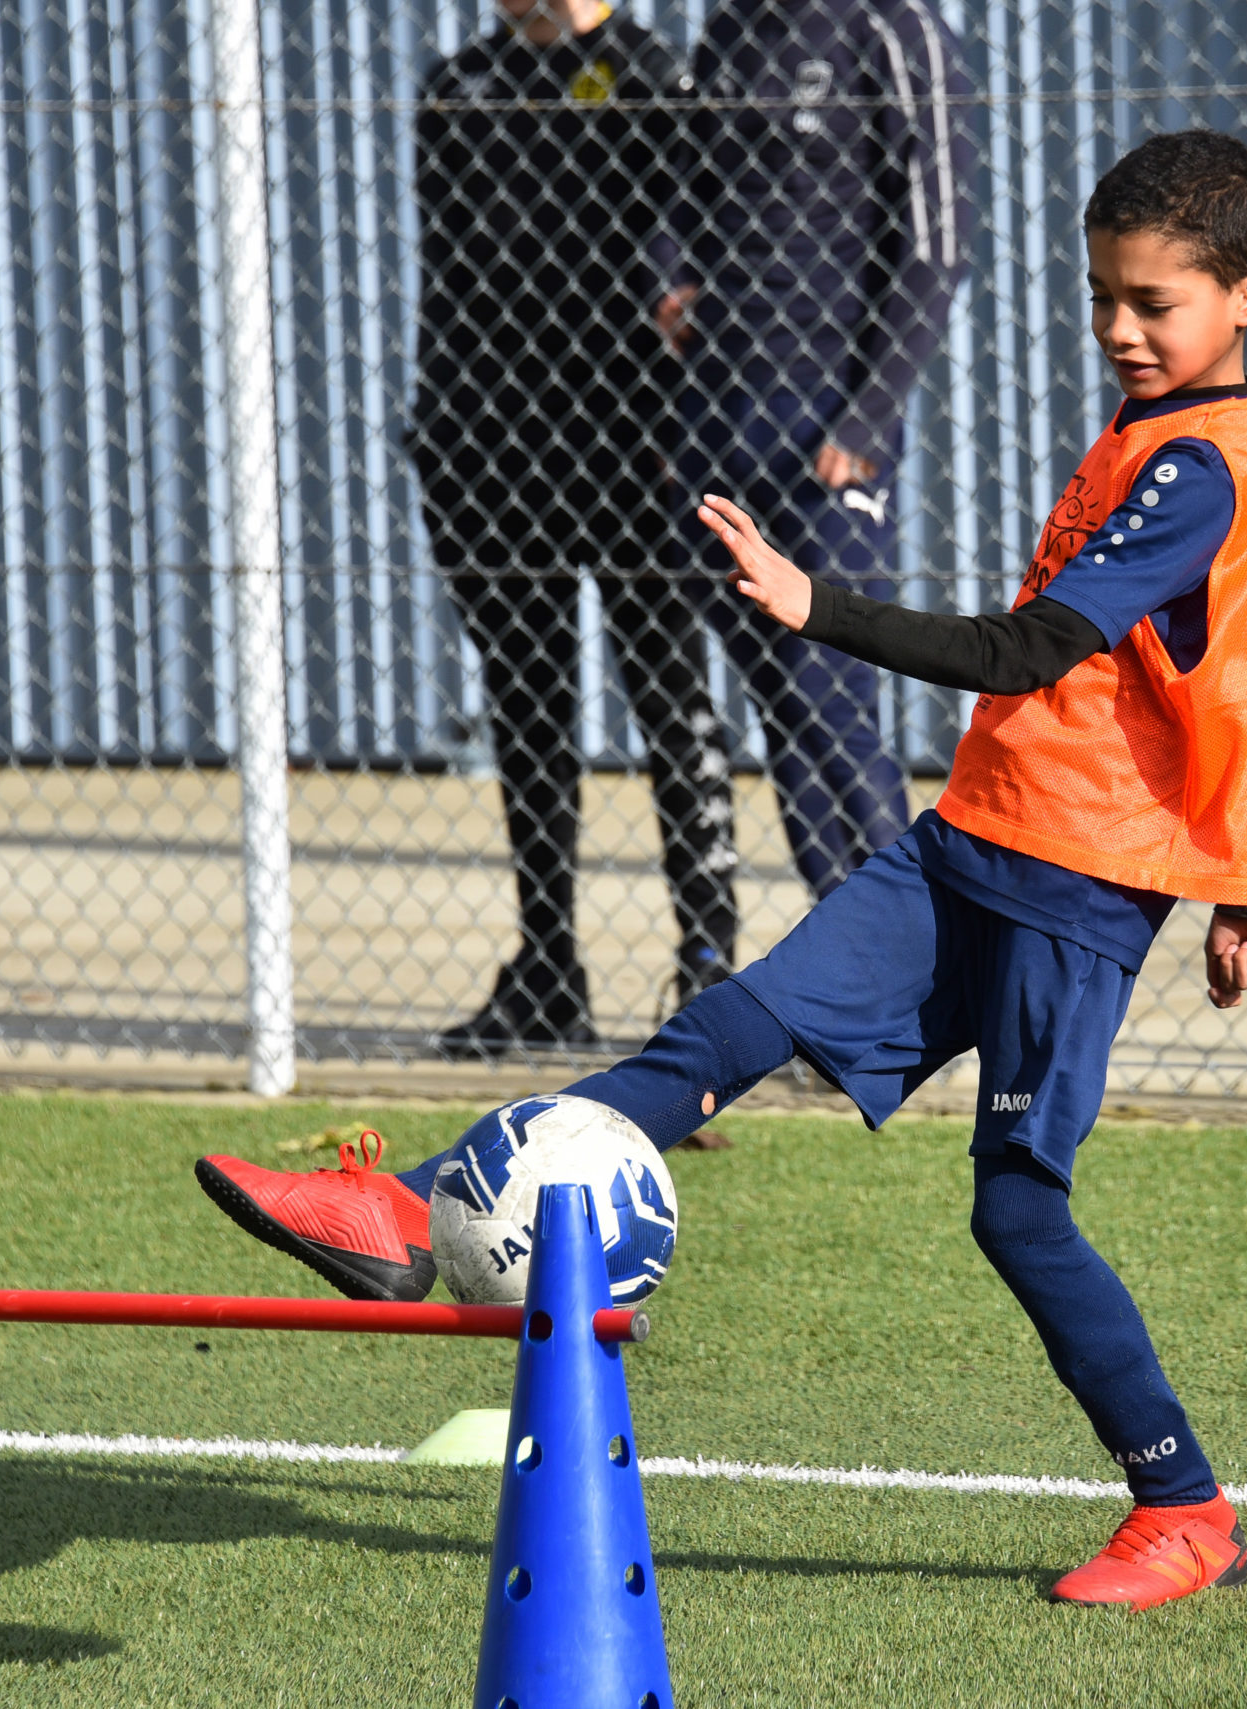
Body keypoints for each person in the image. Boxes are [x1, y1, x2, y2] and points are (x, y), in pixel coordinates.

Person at [198, 130, 1247, 1610]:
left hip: (1081, 884)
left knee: (1018, 1211)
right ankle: (404, 1208)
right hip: (980, 833)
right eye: (1103, 294)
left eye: (1152, 303)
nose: (1118, 326)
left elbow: (1033, 652)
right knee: (739, 1019)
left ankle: (1185, 1509)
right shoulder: (1149, 428)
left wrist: (811, 604)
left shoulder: (1208, 466)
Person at [412, 0, 739, 1053]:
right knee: (527, 708)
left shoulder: (653, 78)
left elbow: (694, 258)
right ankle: (548, 969)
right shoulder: (460, 87)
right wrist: (439, 432)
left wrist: (688, 430)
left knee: (669, 696)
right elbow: (449, 286)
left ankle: (708, 963)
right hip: (493, 451)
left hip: (631, 447)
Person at [656, 0, 976, 898]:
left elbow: (938, 245)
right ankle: (843, 950)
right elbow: (682, 187)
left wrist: (869, 414)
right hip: (721, 413)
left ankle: (916, 937)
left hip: (830, 417)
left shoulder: (895, 30)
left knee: (829, 688)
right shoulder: (731, 28)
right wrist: (669, 278)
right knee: (780, 696)